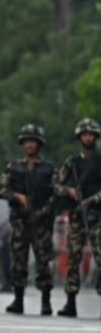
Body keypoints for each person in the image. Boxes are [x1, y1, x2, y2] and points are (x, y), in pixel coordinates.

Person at [0, 124, 55, 315]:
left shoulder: (49, 168)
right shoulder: (14, 167)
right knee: (17, 261)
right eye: (26, 141)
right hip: (19, 221)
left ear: (39, 144)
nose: (29, 145)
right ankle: (18, 299)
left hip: (41, 223)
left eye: (33, 141)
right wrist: (16, 196)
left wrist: (43, 210)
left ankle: (45, 301)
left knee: (43, 262)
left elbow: (56, 192)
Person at [53, 118, 101, 317]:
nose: (87, 138)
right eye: (84, 134)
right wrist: (70, 191)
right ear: (79, 137)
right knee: (72, 257)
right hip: (76, 216)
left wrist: (94, 199)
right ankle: (70, 301)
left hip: (98, 215)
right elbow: (55, 185)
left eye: (90, 134)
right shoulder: (72, 162)